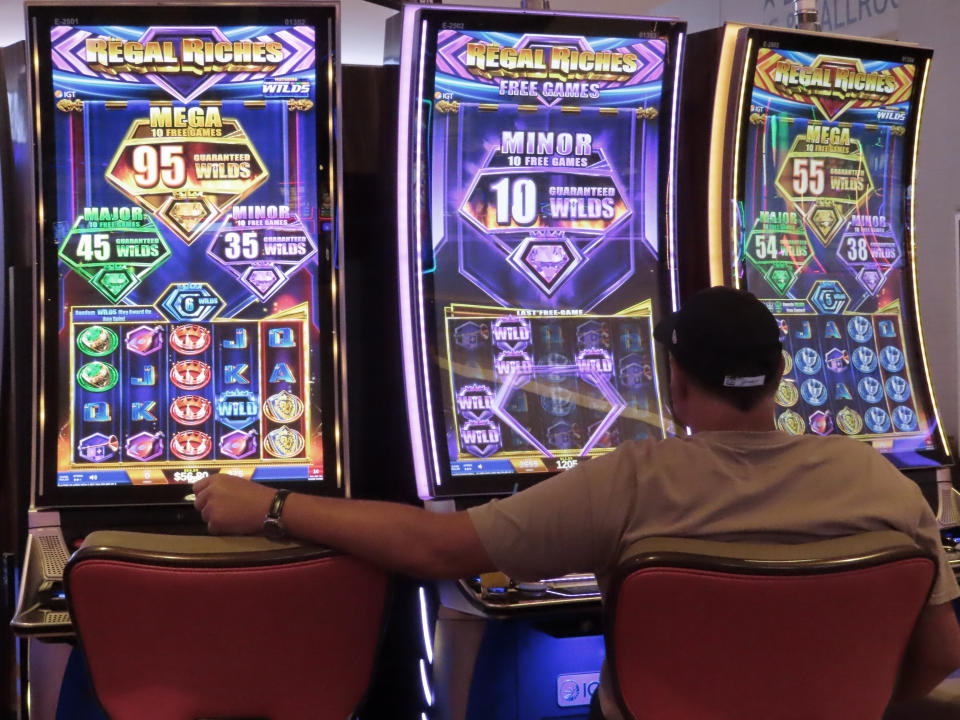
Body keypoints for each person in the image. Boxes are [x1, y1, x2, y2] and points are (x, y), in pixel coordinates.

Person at [194, 286, 960, 719]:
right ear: (778, 377)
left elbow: (438, 550)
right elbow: (939, 653)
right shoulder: (881, 484)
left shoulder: (638, 480)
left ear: (676, 383)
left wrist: (268, 506)